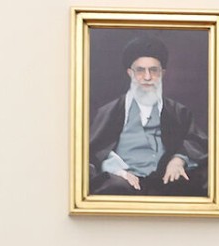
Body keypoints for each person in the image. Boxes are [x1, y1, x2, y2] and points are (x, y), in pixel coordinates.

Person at [88, 35, 209, 196]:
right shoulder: (110, 111)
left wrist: (178, 159)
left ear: (162, 73)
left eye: (153, 70)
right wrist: (119, 172)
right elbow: (94, 150)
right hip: (124, 181)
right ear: (130, 73)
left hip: (165, 179)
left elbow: (196, 141)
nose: (147, 77)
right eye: (140, 70)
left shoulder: (178, 111)